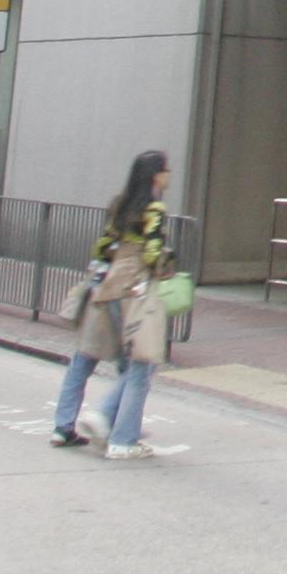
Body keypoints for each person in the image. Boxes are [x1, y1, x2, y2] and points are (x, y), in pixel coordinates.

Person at [53, 150, 176, 459]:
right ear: (155, 175)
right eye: (166, 170)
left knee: (85, 357)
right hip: (135, 289)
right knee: (140, 365)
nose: (169, 175)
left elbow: (104, 246)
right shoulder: (154, 208)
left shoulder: (119, 205)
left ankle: (67, 426)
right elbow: (152, 253)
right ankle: (119, 432)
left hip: (106, 287)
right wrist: (166, 263)